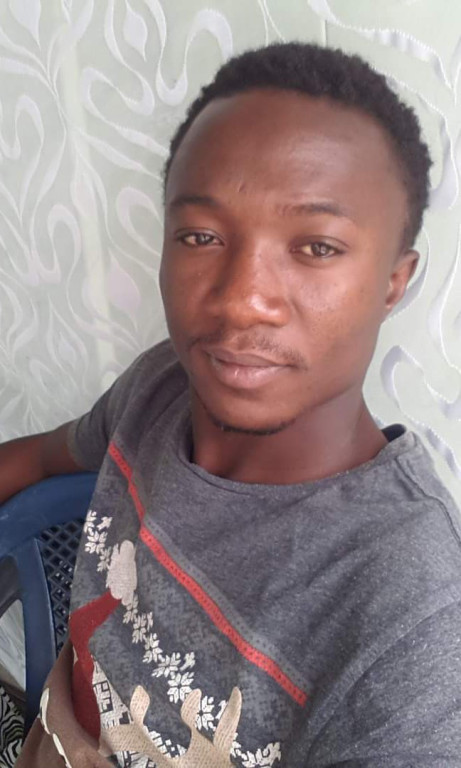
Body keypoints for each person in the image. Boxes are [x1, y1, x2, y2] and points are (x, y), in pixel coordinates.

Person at [5, 41, 461, 767]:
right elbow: (38, 458)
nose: (241, 300)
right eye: (202, 236)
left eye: (316, 247)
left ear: (392, 283)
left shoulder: (411, 614)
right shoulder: (160, 386)